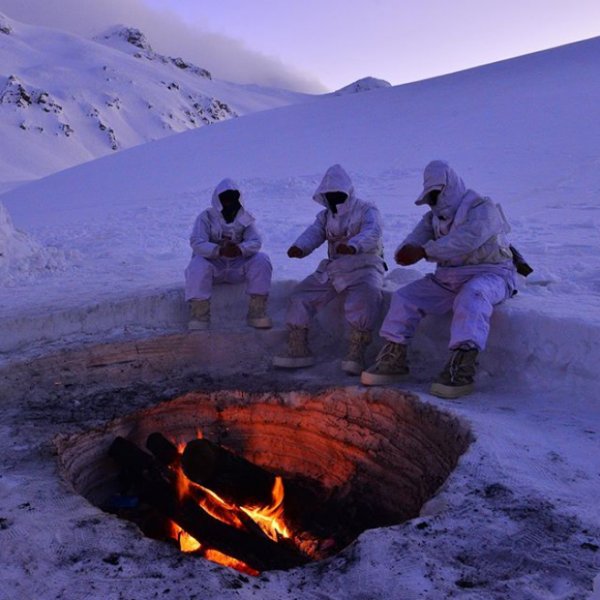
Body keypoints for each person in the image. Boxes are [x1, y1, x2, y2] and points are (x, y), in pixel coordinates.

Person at [361, 160, 517, 398]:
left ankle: (462, 364)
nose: (433, 200)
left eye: (436, 193)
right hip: (449, 277)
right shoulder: (432, 218)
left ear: (449, 187)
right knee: (405, 297)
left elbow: (467, 239)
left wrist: (425, 251)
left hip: (491, 272)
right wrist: (406, 250)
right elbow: (415, 238)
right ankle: (394, 357)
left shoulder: (481, 208)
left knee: (473, 297)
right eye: (430, 195)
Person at [273, 164, 385, 374]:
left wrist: (354, 245)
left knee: (365, 297)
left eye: (337, 194)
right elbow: (314, 232)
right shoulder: (325, 216)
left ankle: (357, 350)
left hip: (366, 266)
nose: (333, 198)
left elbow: (373, 231)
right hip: (334, 268)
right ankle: (298, 347)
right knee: (301, 296)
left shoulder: (367, 209)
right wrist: (300, 247)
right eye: (329, 194)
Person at [184, 178, 272, 330]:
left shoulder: (245, 217)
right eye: (225, 199)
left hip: (237, 265)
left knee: (262, 260)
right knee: (197, 265)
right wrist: (219, 250)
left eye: (232, 199)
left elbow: (255, 241)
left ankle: (257, 312)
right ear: (217, 200)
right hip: (214, 265)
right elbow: (197, 242)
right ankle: (199, 315)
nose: (229, 203)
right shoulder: (206, 217)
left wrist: (240, 249)